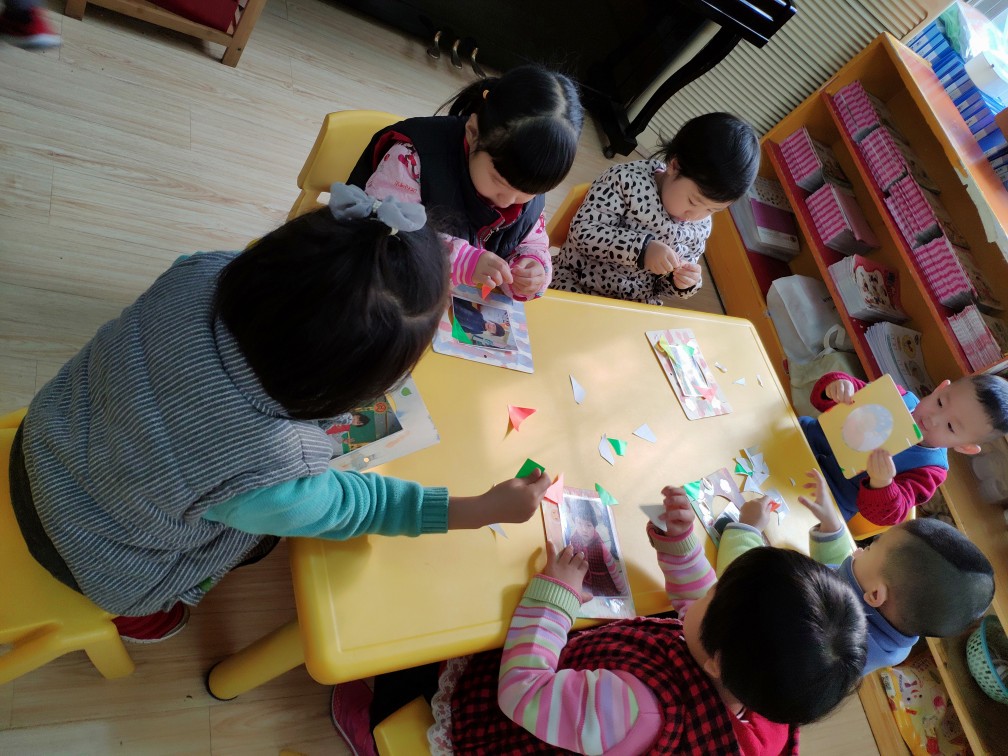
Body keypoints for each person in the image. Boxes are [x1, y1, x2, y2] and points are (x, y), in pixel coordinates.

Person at [8, 183, 551, 642]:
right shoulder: (269, 466)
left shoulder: (200, 271)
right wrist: (475, 510)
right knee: (259, 540)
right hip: (92, 558)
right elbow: (352, 508)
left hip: (40, 439)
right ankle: (142, 619)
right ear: (333, 387)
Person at [330, 484, 866, 755]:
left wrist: (553, 598)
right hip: (588, 699)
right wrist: (680, 546)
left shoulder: (637, 709)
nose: (709, 586)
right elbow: (701, 609)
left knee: (427, 657)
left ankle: (373, 731)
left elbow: (521, 692)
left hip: (514, 723)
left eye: (717, 590)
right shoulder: (765, 694)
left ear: (719, 659)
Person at [347, 64, 584, 302]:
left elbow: (532, 240)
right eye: (498, 181)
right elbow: (383, 235)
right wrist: (460, 260)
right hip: (376, 292)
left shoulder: (527, 179)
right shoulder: (411, 158)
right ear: (473, 132)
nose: (508, 201)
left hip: (443, 301)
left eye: (527, 193)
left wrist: (532, 268)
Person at [782, 470, 991, 673]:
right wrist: (832, 527)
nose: (858, 551)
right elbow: (844, 579)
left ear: (875, 595)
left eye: (870, 548)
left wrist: (758, 530)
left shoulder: (825, 630)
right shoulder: (892, 637)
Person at [550, 112, 759, 306]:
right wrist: (642, 250)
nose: (696, 216)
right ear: (674, 166)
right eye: (693, 202)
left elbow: (662, 287)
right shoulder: (625, 181)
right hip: (577, 282)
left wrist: (682, 282)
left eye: (713, 210)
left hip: (635, 303)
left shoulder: (700, 225)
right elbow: (583, 232)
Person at [800, 370, 1008, 526]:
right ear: (939, 388)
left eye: (951, 427)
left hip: (827, 499)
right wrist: (838, 387)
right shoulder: (897, 397)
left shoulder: (930, 470)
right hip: (802, 437)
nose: (933, 419)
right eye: (940, 403)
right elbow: (829, 398)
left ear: (965, 447)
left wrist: (882, 484)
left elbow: (889, 514)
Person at [565, 496, 628, 597]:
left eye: (588, 525)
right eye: (579, 523)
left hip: (602, 586)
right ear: (574, 522)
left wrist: (624, 592)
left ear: (594, 526)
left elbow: (614, 574)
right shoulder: (573, 540)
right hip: (583, 584)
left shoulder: (602, 549)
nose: (583, 529)